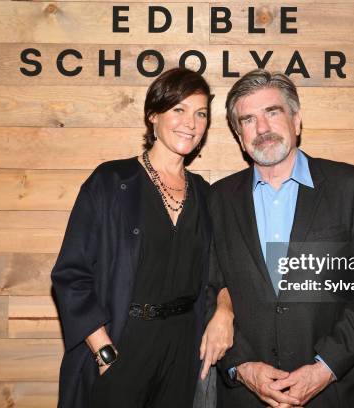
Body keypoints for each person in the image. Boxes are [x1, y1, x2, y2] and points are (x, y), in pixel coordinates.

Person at [51, 67, 234, 408]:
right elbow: (70, 274)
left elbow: (222, 271)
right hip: (122, 341)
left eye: (200, 114)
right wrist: (103, 350)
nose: (190, 123)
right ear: (153, 115)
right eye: (178, 109)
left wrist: (225, 309)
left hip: (183, 349)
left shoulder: (207, 196)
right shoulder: (110, 182)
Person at [209, 69, 354, 407]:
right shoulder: (217, 199)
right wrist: (243, 366)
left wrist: (323, 369)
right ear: (238, 135)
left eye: (272, 112)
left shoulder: (348, 185)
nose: (262, 129)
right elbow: (207, 290)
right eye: (248, 120)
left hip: (337, 392)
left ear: (296, 120)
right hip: (247, 397)